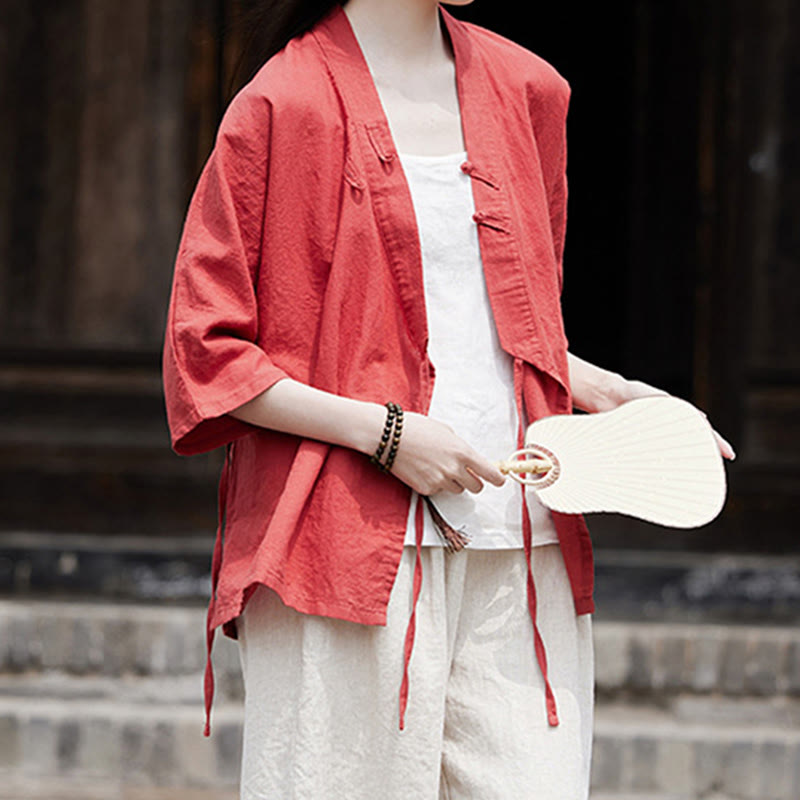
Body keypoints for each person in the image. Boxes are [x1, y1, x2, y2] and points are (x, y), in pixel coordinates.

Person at [161, 1, 735, 797]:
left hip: (521, 540)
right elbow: (207, 350)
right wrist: (388, 434)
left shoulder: (529, 88)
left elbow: (505, 319)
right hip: (344, 549)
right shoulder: (281, 102)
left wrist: (610, 391)